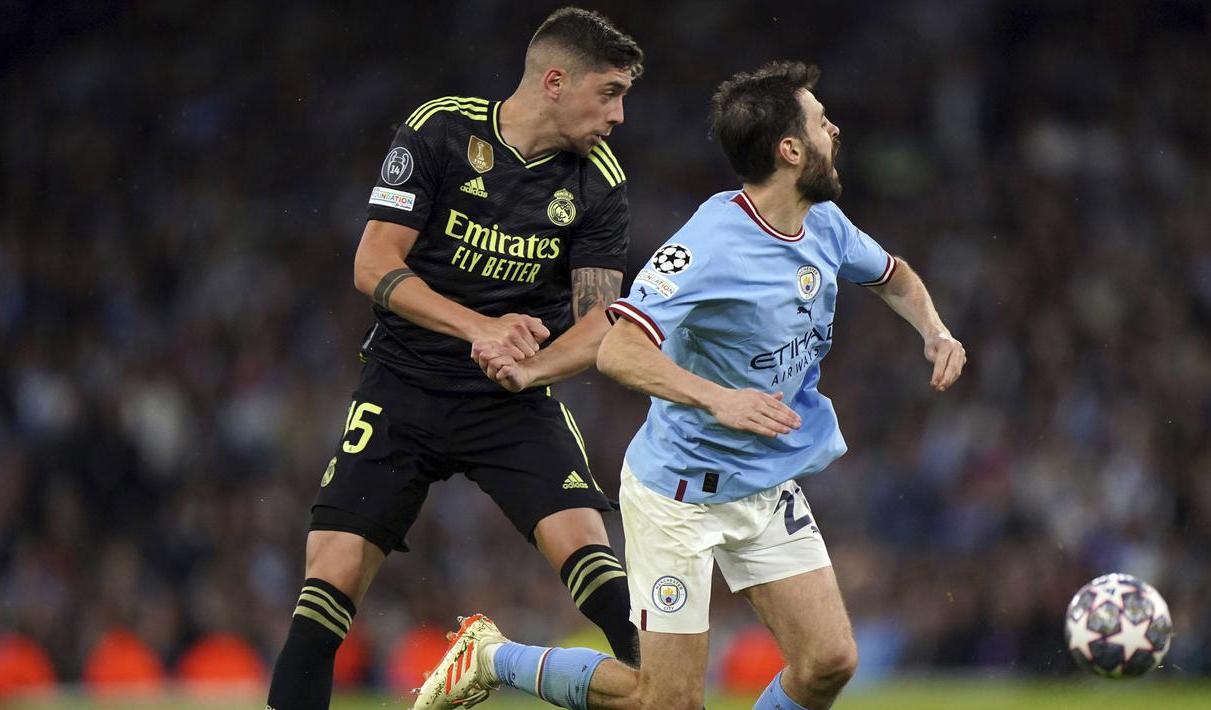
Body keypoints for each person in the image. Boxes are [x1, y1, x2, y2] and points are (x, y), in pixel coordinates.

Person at [413, 60, 967, 710]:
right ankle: (493, 657)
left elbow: (892, 274)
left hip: (760, 482)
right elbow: (619, 348)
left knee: (826, 663)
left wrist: (933, 330)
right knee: (668, 701)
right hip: (678, 495)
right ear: (790, 150)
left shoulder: (823, 221)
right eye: (821, 122)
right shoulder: (709, 243)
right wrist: (719, 397)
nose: (834, 130)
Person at [265, 8, 644, 710]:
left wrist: (529, 368)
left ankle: (659, 694)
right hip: (403, 385)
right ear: (555, 81)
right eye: (610, 92)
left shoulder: (598, 181)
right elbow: (373, 261)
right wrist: (481, 328)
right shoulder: (442, 128)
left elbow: (599, 324)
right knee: (328, 586)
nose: (619, 114)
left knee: (604, 576)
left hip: (510, 400)